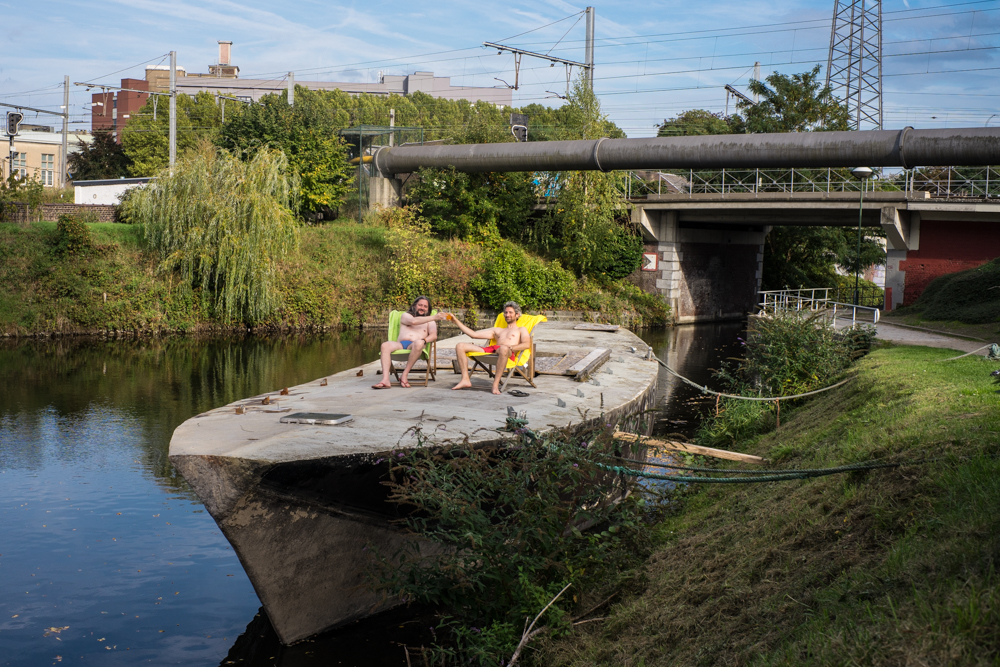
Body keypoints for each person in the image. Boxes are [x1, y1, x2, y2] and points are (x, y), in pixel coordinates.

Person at [445, 301, 530, 395]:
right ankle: (465, 379)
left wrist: (512, 347)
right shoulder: (497, 330)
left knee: (504, 348)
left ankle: (495, 384)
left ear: (517, 315)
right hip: (493, 350)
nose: (507, 315)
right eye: (505, 312)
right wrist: (455, 321)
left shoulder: (521, 329)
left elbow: (526, 344)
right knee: (460, 346)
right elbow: (474, 335)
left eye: (510, 312)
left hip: (508, 351)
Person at [372, 295, 447, 389]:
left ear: (428, 309)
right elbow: (413, 321)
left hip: (416, 347)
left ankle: (404, 375)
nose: (422, 308)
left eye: (425, 306)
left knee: (419, 343)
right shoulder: (406, 316)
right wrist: (434, 317)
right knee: (385, 345)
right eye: (420, 305)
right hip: (400, 345)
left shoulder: (430, 322)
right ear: (415, 305)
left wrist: (424, 340)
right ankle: (385, 380)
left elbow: (433, 335)